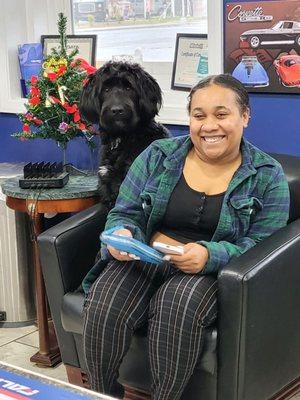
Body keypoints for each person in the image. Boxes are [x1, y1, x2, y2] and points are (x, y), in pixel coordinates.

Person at [83, 74, 290, 399]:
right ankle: (99, 394)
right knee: (104, 301)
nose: (209, 126)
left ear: (244, 116)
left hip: (206, 271)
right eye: (199, 115)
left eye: (221, 114)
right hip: (146, 256)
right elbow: (124, 212)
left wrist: (210, 255)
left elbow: (262, 248)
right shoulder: (157, 156)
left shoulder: (267, 176)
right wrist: (122, 234)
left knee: (176, 305)